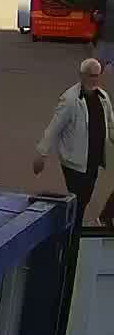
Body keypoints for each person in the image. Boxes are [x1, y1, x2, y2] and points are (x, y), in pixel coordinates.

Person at [35, 58, 114, 232]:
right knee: (78, 199)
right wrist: (42, 153)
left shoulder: (103, 97)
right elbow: (54, 127)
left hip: (93, 159)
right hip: (74, 161)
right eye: (90, 76)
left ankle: (73, 227)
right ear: (82, 75)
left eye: (96, 76)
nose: (94, 79)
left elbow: (110, 124)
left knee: (84, 199)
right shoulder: (70, 99)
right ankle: (72, 232)